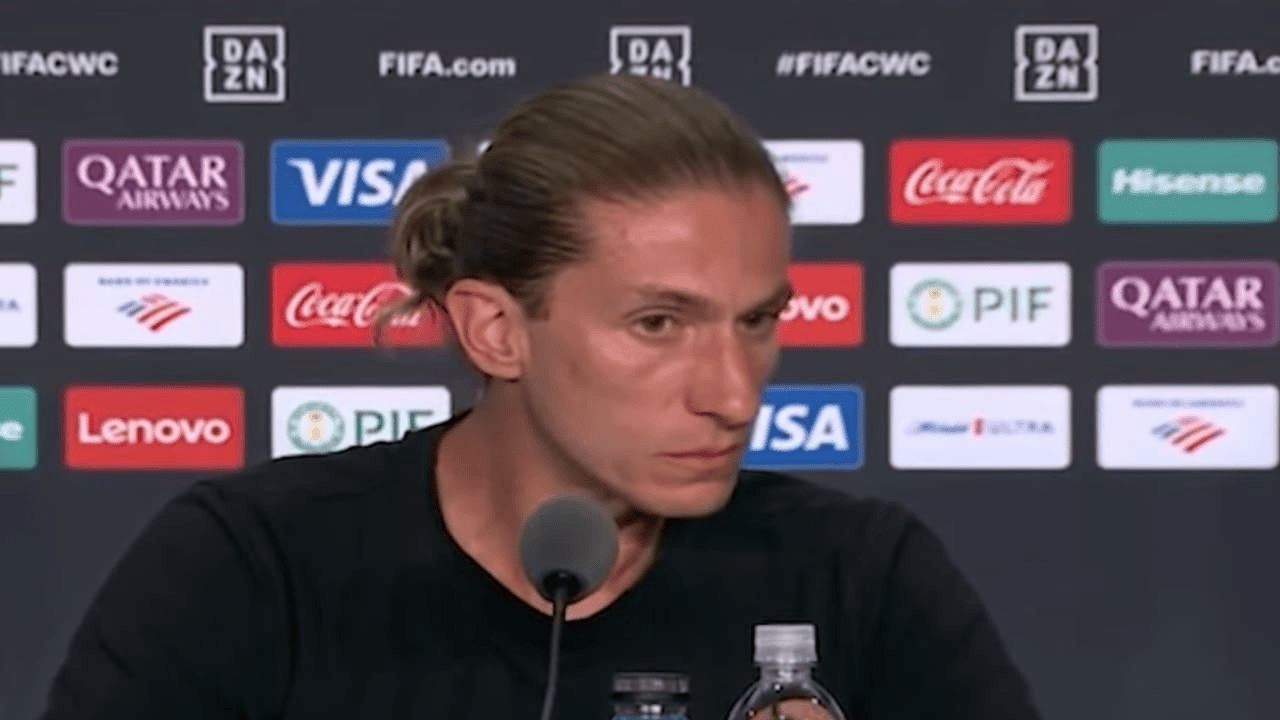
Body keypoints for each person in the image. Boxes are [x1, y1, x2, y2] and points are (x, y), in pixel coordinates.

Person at [39, 74, 1041, 720]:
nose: (733, 394)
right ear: (495, 329)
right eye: (659, 323)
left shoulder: (860, 576)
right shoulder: (252, 568)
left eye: (756, 320)